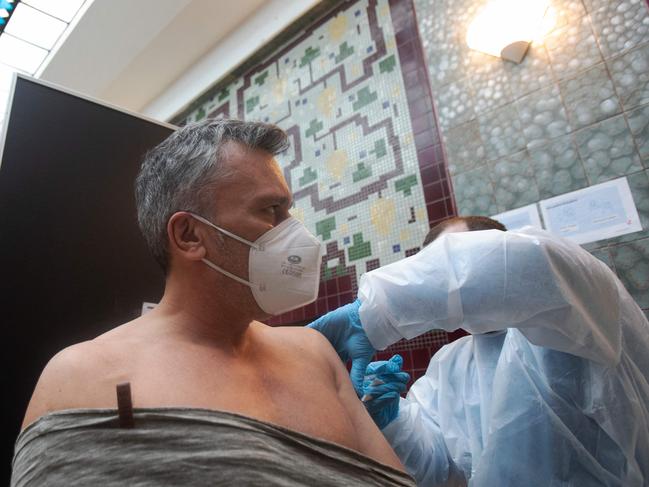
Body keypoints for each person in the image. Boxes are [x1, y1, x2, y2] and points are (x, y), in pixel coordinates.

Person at [12, 119, 414, 487]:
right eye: (271, 211)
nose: (296, 235)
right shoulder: (82, 376)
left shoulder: (315, 354)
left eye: (289, 212)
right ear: (190, 235)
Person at [310, 216, 649, 486]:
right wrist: (393, 422)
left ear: (497, 250)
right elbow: (442, 477)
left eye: (451, 262)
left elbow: (535, 263)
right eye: (432, 267)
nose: (443, 279)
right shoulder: (449, 363)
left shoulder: (584, 303)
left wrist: (374, 312)